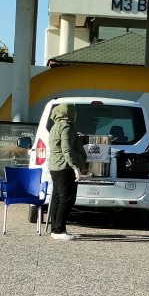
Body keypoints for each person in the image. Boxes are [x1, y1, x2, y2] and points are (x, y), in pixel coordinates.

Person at [48, 103, 86, 241]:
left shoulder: (55, 126)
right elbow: (67, 149)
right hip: (65, 167)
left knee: (57, 199)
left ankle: (55, 229)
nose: (75, 114)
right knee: (67, 199)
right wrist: (75, 167)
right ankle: (59, 230)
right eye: (73, 111)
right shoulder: (67, 127)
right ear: (67, 113)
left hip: (55, 167)